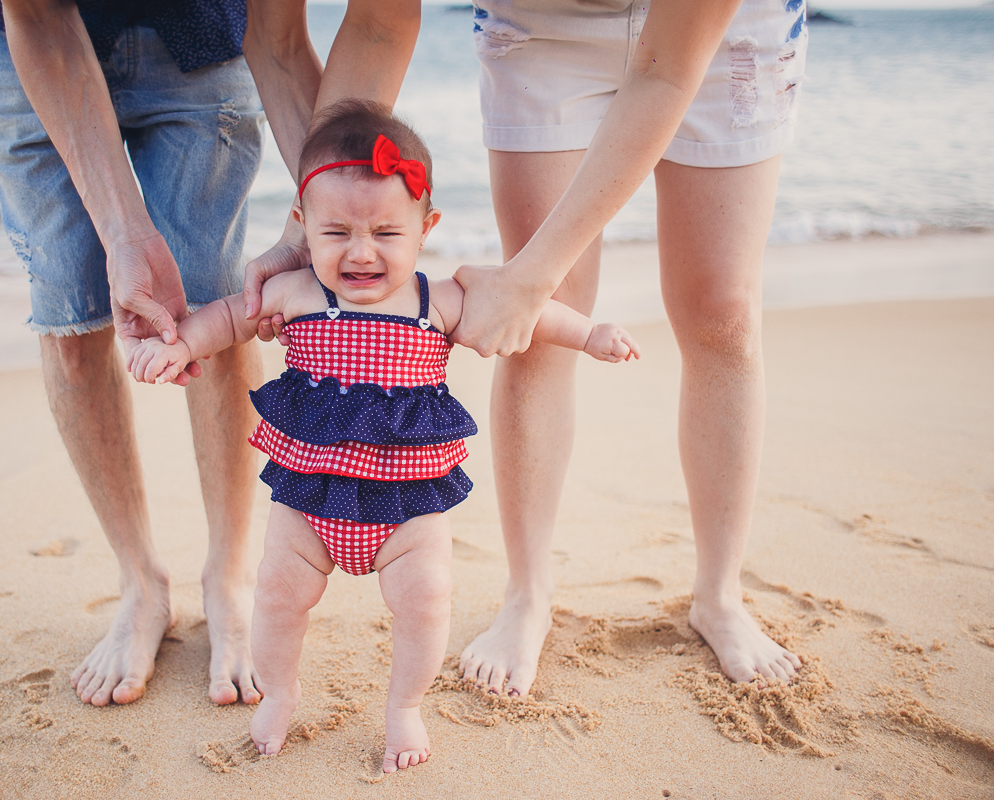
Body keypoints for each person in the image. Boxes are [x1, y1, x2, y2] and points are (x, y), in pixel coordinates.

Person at [127, 101, 639, 771]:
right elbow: (227, 318)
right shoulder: (296, 292)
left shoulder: (439, 299)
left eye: (386, 232)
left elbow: (532, 311)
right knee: (277, 598)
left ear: (425, 228)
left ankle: (404, 707)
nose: (361, 251)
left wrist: (590, 334)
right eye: (336, 231)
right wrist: (179, 345)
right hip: (309, 499)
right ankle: (279, 693)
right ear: (302, 224)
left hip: (408, 507)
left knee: (426, 602)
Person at [450, 0, 810, 692]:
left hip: (726, 33)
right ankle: (527, 593)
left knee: (724, 312)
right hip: (543, 26)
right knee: (543, 324)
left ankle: (720, 595)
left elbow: (665, 69)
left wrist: (529, 279)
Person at [0, 0, 266, 706]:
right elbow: (38, 16)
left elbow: (291, 42)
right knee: (71, 324)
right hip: (23, 41)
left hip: (197, 30)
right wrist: (123, 232)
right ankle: (140, 582)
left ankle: (229, 577)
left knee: (214, 311)